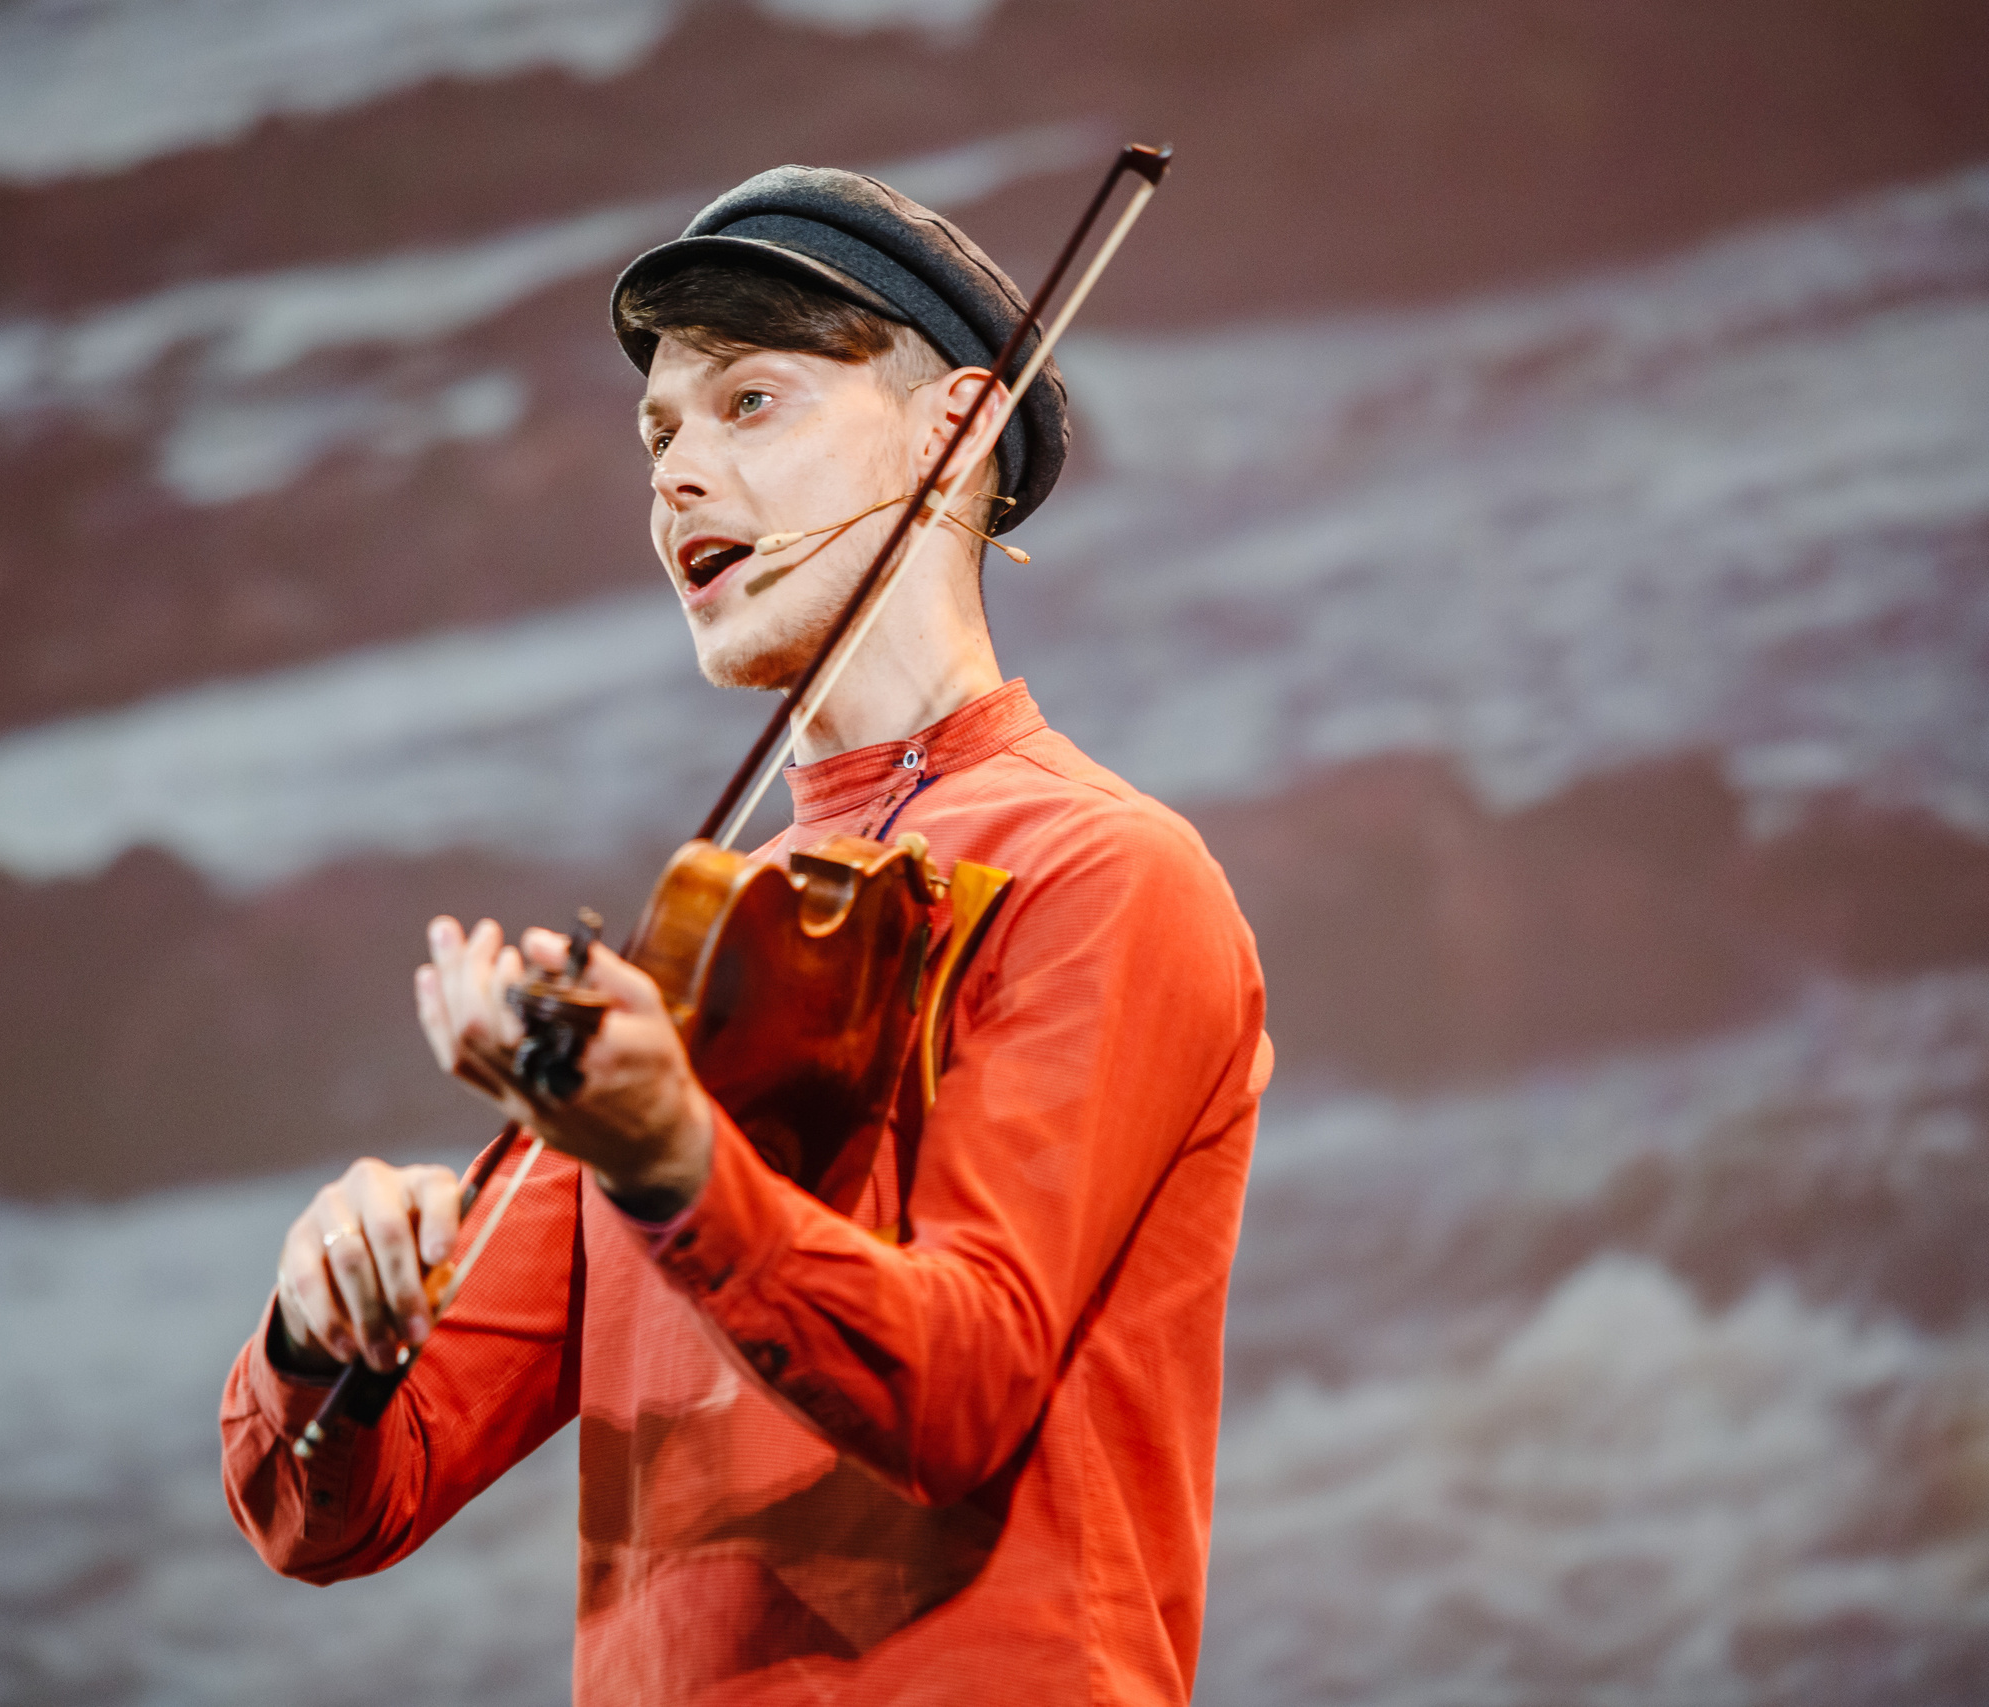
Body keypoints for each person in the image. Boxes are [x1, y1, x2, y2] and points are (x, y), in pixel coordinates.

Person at [221, 164, 1271, 1705]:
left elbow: (959, 1392)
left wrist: (667, 1157)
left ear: (958, 430)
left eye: (750, 405)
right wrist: (322, 1335)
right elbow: (340, 1508)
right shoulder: (686, 966)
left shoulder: (1102, 870)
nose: (677, 477)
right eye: (658, 432)